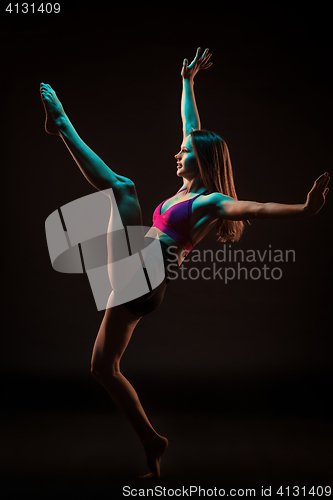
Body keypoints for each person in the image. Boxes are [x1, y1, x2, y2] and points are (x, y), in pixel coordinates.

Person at [40, 47, 330, 479]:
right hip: (140, 283)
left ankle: (61, 126)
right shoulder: (182, 189)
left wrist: (303, 210)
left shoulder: (211, 202)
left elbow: (257, 207)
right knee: (103, 367)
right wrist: (187, 82)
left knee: (124, 189)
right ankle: (152, 443)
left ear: (203, 160)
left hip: (147, 272)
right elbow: (191, 126)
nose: (177, 153)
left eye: (184, 151)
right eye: (179, 148)